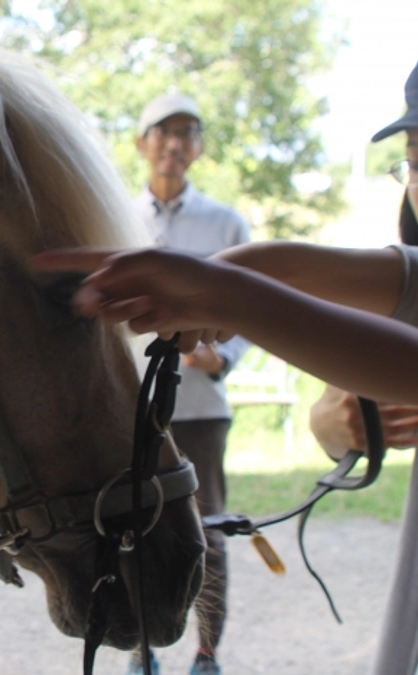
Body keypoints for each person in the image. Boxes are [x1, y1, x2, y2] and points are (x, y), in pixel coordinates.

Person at [31, 40, 418, 675]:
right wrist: (202, 283)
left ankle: (206, 652)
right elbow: (294, 265)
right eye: (414, 165)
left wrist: (219, 297)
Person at [127, 93, 250, 675]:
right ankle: (140, 647)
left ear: (199, 147)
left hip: (200, 408)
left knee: (208, 530)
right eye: (163, 131)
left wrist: (213, 355)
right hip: (130, 407)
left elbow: (253, 308)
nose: (175, 143)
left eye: (188, 132)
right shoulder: (116, 214)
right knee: (128, 525)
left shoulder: (225, 223)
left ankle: (206, 653)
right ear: (141, 143)